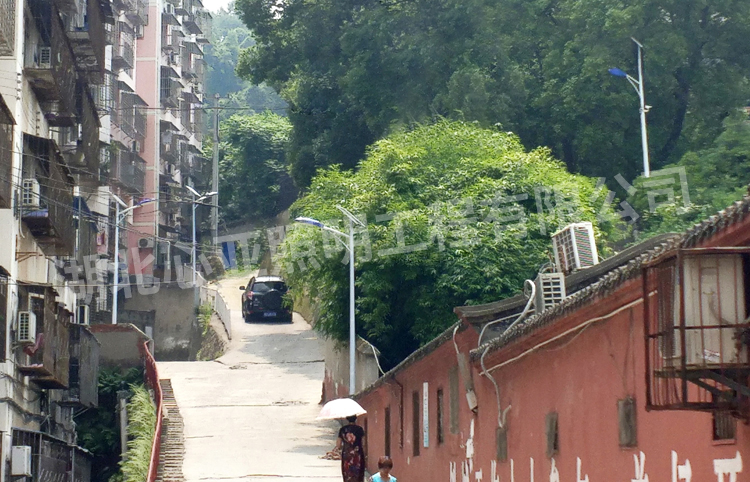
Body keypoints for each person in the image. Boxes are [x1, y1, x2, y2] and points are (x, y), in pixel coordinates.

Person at [336, 415, 366, 482]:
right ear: (355, 419)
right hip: (358, 455)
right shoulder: (360, 429)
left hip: (347, 456)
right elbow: (363, 443)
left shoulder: (342, 429)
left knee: (347, 474)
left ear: (347, 419)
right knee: (358, 475)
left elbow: (338, 444)